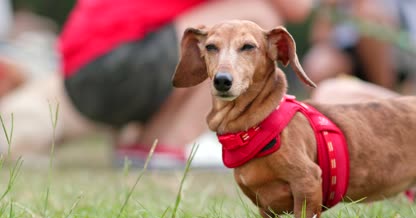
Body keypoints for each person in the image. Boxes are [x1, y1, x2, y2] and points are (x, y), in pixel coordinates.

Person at [1, 0, 315, 168]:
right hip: (113, 67)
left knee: (221, 29)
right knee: (254, 15)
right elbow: (298, 7)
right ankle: (171, 143)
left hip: (81, 74)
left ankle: (146, 146)